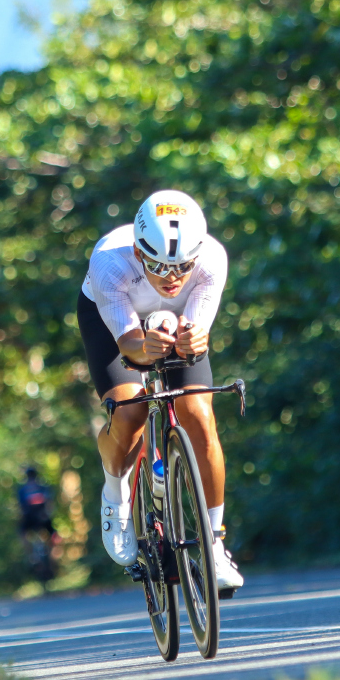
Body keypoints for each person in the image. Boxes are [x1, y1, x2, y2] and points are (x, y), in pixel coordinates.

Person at [77, 189, 243, 591]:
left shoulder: (213, 259)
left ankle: (215, 543)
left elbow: (196, 331)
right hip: (115, 324)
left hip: (176, 322)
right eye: (158, 265)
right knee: (131, 412)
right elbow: (129, 343)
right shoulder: (109, 263)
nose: (172, 278)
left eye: (183, 266)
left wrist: (191, 340)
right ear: (137, 252)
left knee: (200, 417)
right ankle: (116, 492)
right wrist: (142, 347)